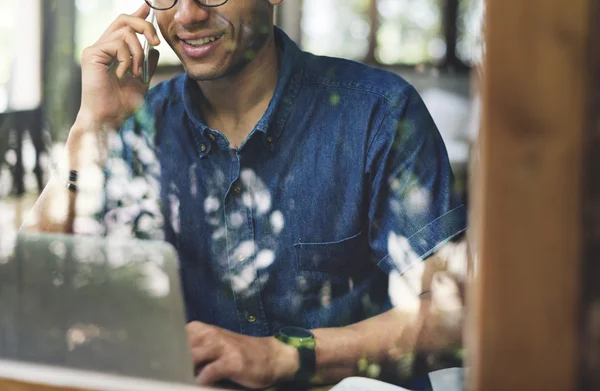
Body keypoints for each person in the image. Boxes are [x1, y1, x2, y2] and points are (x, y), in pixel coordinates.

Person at [26, 0, 468, 388]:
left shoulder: (378, 113)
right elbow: (27, 301)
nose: (188, 14)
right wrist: (92, 130)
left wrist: (283, 356)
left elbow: (456, 322)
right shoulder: (140, 126)